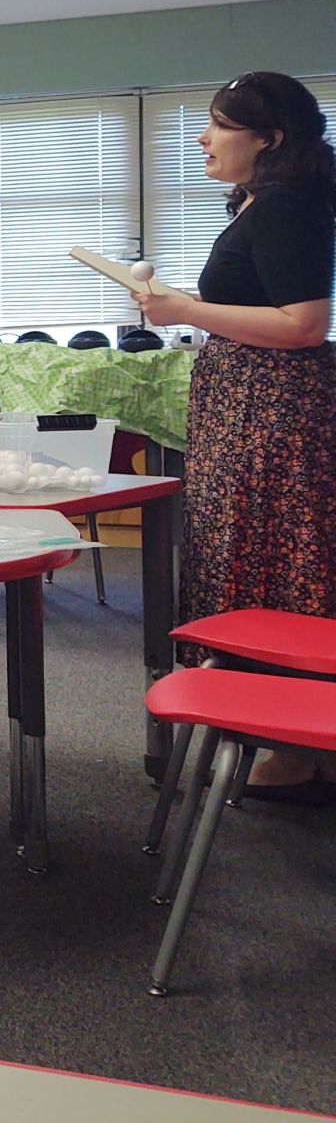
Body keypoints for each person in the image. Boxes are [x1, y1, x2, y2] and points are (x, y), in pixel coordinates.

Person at [135, 72, 336, 803]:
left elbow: (303, 324)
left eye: (219, 125)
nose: (203, 137)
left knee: (271, 561)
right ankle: (289, 736)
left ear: (269, 139)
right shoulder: (262, 205)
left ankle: (293, 741)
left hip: (271, 411)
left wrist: (185, 306)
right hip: (246, 403)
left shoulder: (285, 208)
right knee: (249, 553)